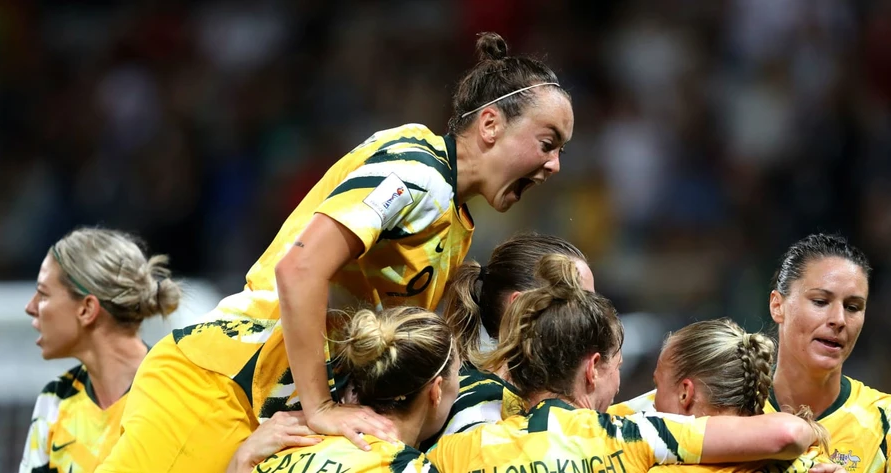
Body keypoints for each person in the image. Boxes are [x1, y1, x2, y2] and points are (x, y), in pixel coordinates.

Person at [96, 31, 573, 473]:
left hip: (266, 403)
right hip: (219, 385)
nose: (554, 165)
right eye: (547, 143)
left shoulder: (453, 218)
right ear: (490, 124)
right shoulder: (416, 174)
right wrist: (320, 407)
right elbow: (299, 268)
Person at [428, 255, 825, 473]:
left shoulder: (457, 450)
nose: (621, 386)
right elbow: (783, 434)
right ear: (592, 369)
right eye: (616, 368)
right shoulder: (630, 437)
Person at [763, 234, 891, 472]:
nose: (839, 320)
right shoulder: (731, 410)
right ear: (777, 306)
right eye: (820, 301)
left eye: (852, 307)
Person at [18, 228, 182, 473]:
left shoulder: (177, 395)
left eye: (43, 294)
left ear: (87, 309)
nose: (30, 307)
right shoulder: (54, 400)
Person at [228, 307, 460, 473]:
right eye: (458, 373)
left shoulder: (283, 444)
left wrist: (242, 460)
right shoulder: (410, 468)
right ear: (436, 390)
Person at [418, 233, 593, 448]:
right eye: (582, 305)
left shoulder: (531, 397)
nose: (595, 318)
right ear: (522, 308)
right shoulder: (479, 403)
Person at [649, 318, 841, 473]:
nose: (652, 403)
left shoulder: (649, 457)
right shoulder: (812, 460)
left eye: (658, 386)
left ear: (685, 393)